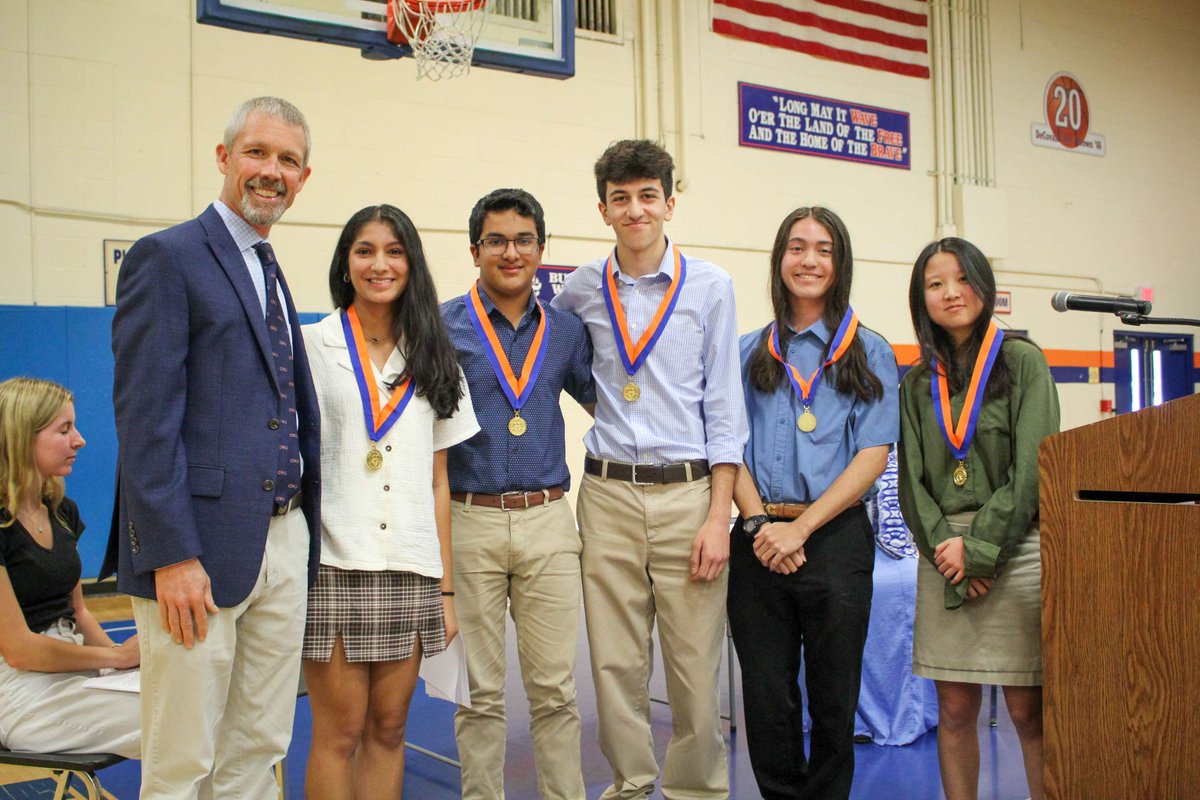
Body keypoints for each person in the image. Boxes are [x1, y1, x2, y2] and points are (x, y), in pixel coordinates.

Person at [105, 96, 321, 799]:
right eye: (257, 152)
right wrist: (171, 553)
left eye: (287, 160)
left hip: (282, 541)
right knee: (182, 760)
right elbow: (145, 420)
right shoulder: (166, 258)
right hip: (196, 550)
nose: (271, 171)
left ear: (304, 177)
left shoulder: (271, 268)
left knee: (258, 747)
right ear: (224, 158)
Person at [552, 140, 748, 800]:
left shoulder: (712, 288)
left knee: (694, 666)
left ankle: (697, 791)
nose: (635, 210)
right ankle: (630, 786)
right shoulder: (579, 288)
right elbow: (555, 367)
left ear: (669, 202)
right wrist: (602, 403)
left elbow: (724, 408)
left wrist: (720, 515)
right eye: (620, 198)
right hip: (605, 492)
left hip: (689, 494)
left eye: (647, 196)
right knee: (613, 663)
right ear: (603, 210)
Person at [301, 204, 477, 798]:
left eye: (394, 251)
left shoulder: (435, 355)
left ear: (412, 264)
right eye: (365, 251)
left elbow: (439, 482)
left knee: (389, 728)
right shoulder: (311, 347)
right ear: (345, 263)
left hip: (411, 564)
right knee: (339, 731)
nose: (380, 264)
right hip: (333, 562)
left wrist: (446, 589)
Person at [728, 207, 899, 800]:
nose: (809, 260)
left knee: (833, 694)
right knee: (767, 695)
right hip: (758, 538)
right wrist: (757, 525)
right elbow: (727, 447)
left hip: (833, 539)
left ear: (839, 263)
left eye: (823, 249)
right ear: (779, 260)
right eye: (797, 247)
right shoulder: (749, 350)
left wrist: (801, 530)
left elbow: (872, 456)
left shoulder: (868, 352)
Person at [441, 188, 595, 799]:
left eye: (524, 240)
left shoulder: (565, 330)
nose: (512, 252)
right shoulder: (441, 324)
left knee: (556, 691)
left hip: (547, 521)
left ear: (540, 249)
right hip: (468, 518)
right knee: (477, 695)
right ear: (476, 249)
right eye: (498, 241)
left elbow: (598, 404)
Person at [897, 237, 1059, 800]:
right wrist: (949, 549)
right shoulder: (918, 383)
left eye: (962, 279)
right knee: (955, 708)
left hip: (1013, 549)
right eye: (935, 284)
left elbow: (1035, 468)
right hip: (942, 554)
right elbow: (910, 484)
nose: (951, 293)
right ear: (922, 300)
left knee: (1027, 709)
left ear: (984, 285)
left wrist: (982, 550)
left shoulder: (1023, 361)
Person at [0, 377, 140, 759]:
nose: (79, 440)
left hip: (73, 666)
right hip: (18, 689)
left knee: (199, 698)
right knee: (178, 723)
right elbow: (19, 651)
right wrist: (118, 657)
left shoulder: (62, 511)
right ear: (19, 438)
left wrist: (120, 666)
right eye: (64, 430)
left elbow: (77, 612)